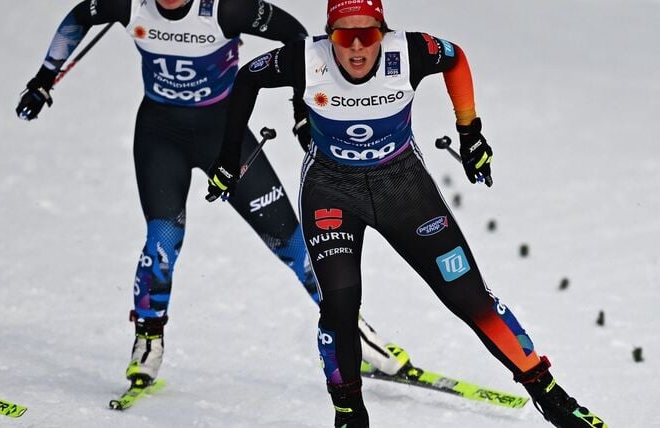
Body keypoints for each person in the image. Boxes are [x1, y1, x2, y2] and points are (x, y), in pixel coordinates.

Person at [204, 0, 609, 426]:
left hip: (403, 187)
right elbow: (248, 77)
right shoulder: (306, 58)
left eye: (368, 34)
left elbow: (455, 58)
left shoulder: (409, 52)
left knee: (468, 295)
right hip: (331, 192)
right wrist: (231, 154)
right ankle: (348, 412)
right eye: (344, 35)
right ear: (329, 34)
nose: (357, 47)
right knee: (340, 308)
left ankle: (552, 397)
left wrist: (470, 132)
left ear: (383, 31)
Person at [15, 0, 413, 391]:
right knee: (162, 240)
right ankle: (148, 337)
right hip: (160, 137)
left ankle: (351, 331)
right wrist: (44, 79)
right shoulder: (130, 5)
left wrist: (300, 107)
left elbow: (295, 36)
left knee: (293, 242)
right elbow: (80, 17)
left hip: (224, 138)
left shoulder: (227, 9)